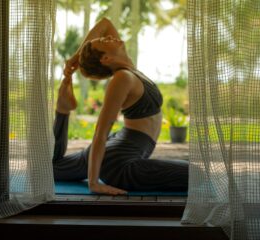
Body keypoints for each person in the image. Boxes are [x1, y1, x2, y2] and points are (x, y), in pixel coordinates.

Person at [53, 17, 188, 195]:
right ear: (107, 58)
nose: (110, 37)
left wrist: (76, 58)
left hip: (116, 145)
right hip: (121, 164)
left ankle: (62, 110)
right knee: (197, 175)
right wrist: (94, 183)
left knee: (52, 168)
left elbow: (105, 23)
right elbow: (100, 132)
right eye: (105, 41)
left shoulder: (130, 70)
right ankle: (62, 110)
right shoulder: (122, 78)